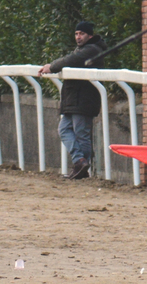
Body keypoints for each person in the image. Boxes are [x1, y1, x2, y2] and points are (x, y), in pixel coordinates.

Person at [39, 22, 106, 179]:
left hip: (83, 100)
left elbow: (71, 60)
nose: (78, 37)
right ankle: (80, 162)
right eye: (76, 34)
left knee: (81, 135)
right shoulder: (84, 50)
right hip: (74, 99)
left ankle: (81, 167)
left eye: (81, 34)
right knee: (64, 130)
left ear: (90, 35)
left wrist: (52, 66)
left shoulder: (91, 50)